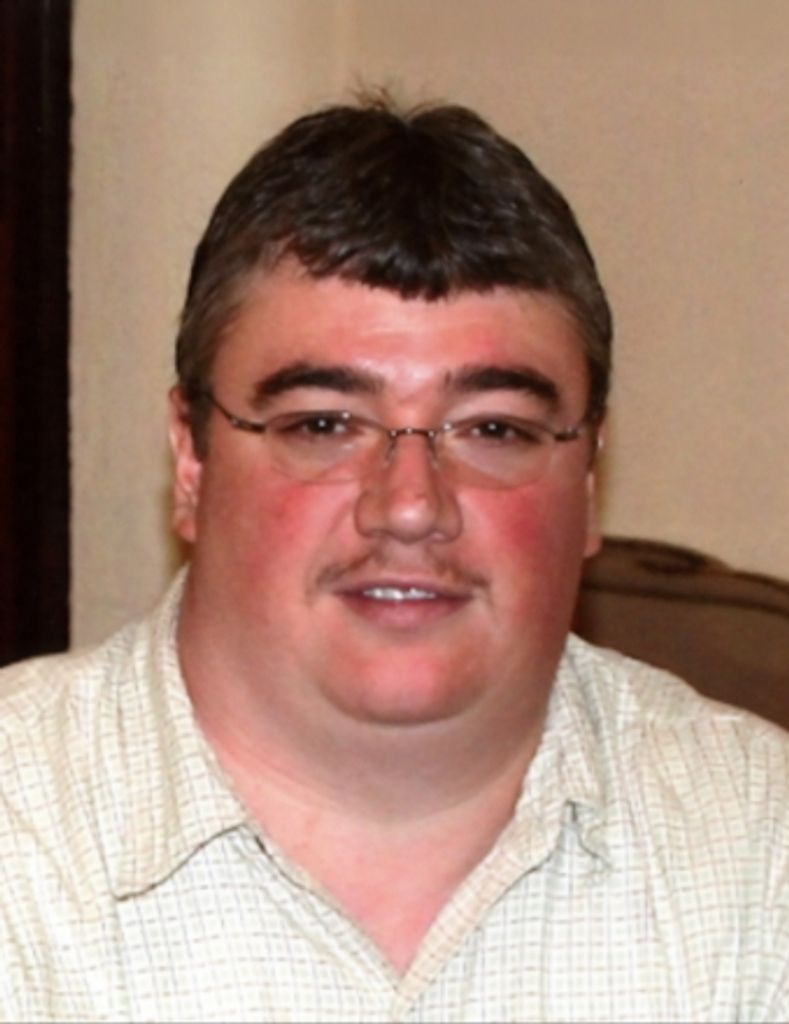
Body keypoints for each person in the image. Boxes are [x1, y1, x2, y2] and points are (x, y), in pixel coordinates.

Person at [0, 94, 787, 1023]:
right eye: (323, 424)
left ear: (586, 478)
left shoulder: (759, 854)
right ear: (191, 459)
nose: (410, 506)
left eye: (493, 428)